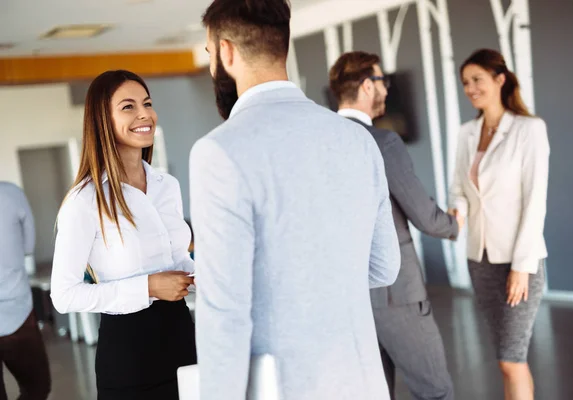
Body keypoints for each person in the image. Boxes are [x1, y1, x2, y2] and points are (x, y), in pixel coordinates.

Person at [189, 1, 401, 399]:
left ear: (227, 52)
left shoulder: (218, 151)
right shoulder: (358, 140)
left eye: (209, 51)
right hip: (363, 384)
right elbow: (385, 267)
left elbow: (224, 314)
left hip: (286, 388)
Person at [50, 70, 196, 400]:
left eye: (147, 103)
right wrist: (147, 287)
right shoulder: (85, 200)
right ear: (103, 119)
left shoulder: (166, 186)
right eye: (128, 107)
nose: (145, 114)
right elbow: (64, 294)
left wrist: (203, 273)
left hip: (182, 336)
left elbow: (177, 260)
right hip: (129, 353)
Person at [329, 51, 460, 400]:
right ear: (368, 86)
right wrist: (454, 224)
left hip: (347, 294)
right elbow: (422, 214)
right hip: (396, 292)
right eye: (382, 81)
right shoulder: (383, 141)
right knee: (435, 390)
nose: (386, 89)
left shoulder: (322, 143)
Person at [449, 48, 549, 400]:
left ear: (499, 79)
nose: (470, 88)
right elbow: (460, 187)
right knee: (506, 358)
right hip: (480, 258)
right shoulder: (466, 133)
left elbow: (535, 201)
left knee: (512, 359)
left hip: (518, 262)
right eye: (465, 83)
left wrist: (522, 268)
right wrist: (456, 212)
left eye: (477, 79)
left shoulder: (529, 129)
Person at [0, 182, 51, 400]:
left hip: (18, 312)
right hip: (17, 314)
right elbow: (28, 248)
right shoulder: (10, 194)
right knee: (36, 387)